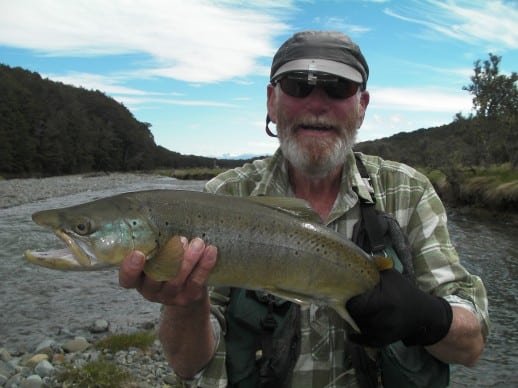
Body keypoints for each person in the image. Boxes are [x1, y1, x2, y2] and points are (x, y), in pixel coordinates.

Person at [119, 31, 489, 387]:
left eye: (338, 87)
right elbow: (188, 364)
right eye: (297, 85)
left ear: (361, 106)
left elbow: (471, 347)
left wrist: (426, 317)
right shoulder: (224, 196)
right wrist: (185, 304)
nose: (317, 103)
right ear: (271, 102)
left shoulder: (409, 191)